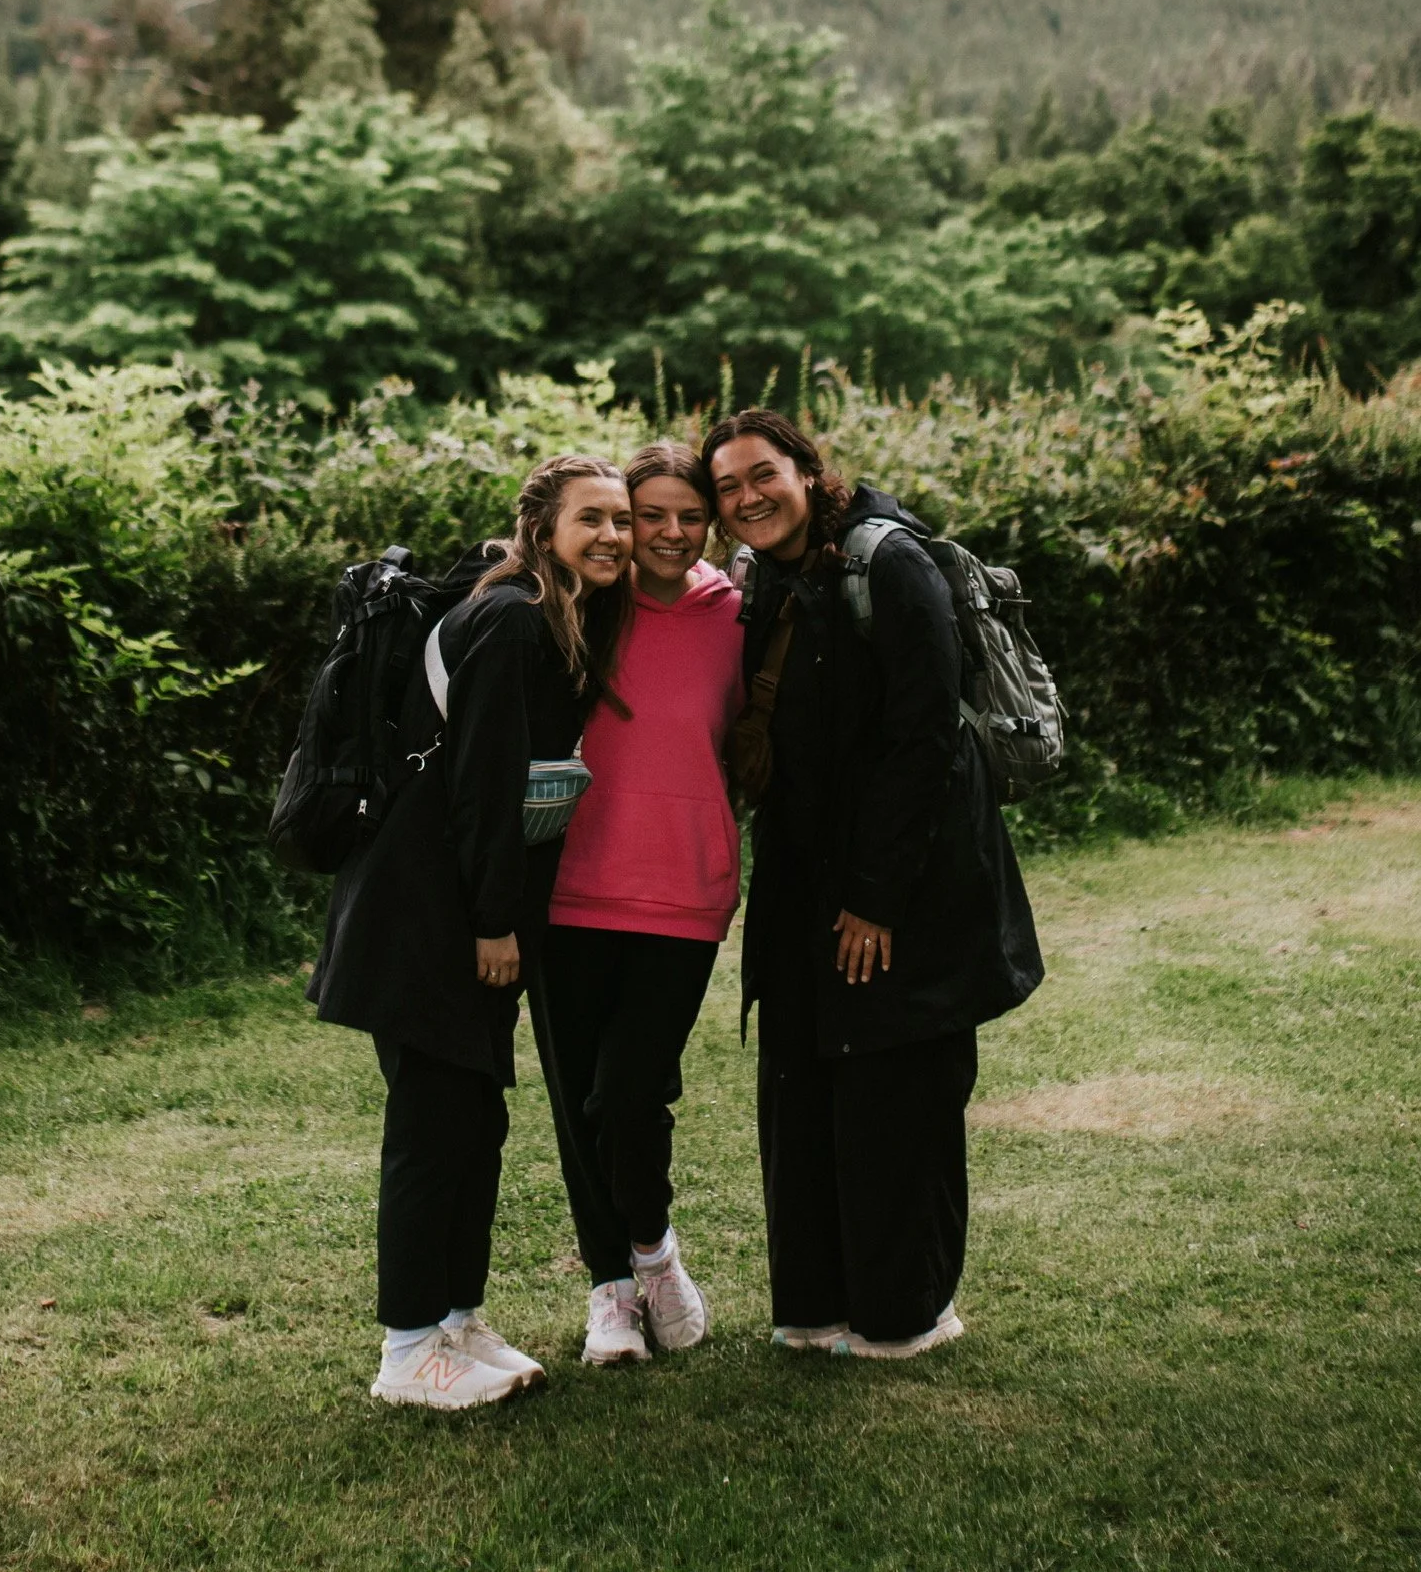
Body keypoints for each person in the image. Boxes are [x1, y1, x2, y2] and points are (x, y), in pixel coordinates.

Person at [701, 408, 1044, 1360]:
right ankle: (812, 1306)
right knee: (802, 1083)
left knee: (895, 1089)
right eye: (726, 487)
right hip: (801, 878)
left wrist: (876, 896)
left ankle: (902, 1313)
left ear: (807, 471)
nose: (746, 497)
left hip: (905, 881)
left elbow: (925, 741)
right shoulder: (760, 577)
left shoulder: (889, 564)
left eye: (761, 474)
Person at [309, 455, 633, 1411]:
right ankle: (407, 1350)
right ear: (542, 525)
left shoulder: (544, 611)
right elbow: (485, 783)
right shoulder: (512, 619)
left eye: (621, 518)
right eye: (591, 518)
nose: (613, 535)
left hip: (459, 906)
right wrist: (493, 921)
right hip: (427, 912)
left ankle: (456, 1318)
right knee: (432, 1126)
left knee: (473, 1121)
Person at [533, 441, 746, 1366]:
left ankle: (653, 1249)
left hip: (685, 889)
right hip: (568, 889)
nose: (666, 531)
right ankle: (609, 1293)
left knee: (627, 1090)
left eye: (687, 515)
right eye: (645, 513)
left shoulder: (740, 615)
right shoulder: (581, 605)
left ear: (712, 522)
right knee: (578, 1101)